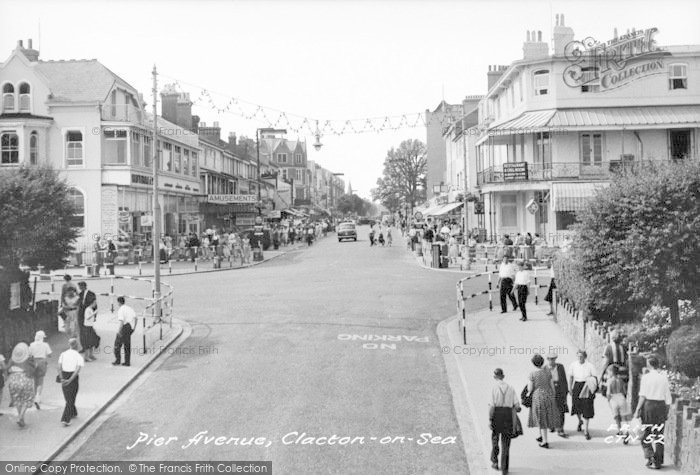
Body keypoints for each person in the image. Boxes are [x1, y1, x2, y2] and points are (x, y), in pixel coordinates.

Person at [633, 355, 671, 470]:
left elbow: (643, 395)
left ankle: (650, 457)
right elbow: (668, 398)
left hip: (648, 406)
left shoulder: (646, 377)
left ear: (649, 364)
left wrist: (637, 409)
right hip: (660, 406)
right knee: (659, 434)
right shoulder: (663, 378)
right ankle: (658, 461)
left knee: (645, 434)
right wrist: (666, 412)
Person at [489, 368, 520, 474]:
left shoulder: (494, 388)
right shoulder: (510, 388)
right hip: (508, 415)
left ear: (495, 377)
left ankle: (495, 461)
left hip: (497, 414)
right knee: (506, 443)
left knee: (495, 438)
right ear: (503, 376)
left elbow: (492, 406)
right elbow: (517, 405)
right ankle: (505, 469)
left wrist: (490, 419)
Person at [526, 354, 559, 449]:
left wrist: (528, 392)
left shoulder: (532, 374)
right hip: (548, 395)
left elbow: (530, 388)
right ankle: (541, 436)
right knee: (544, 416)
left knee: (541, 418)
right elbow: (552, 385)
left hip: (538, 397)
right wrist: (553, 395)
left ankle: (545, 441)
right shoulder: (548, 372)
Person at [569, 349, 597, 440]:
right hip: (577, 385)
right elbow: (571, 377)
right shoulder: (573, 365)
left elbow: (595, 377)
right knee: (577, 407)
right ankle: (580, 421)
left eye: (581, 356)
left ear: (585, 357)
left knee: (586, 408)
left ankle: (586, 430)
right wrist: (570, 388)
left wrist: (593, 388)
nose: (580, 358)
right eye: (578, 356)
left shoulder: (590, 366)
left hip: (586, 386)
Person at [7, 342, 36, 428]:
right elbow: (34, 367)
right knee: (27, 399)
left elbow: (7, 369)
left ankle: (21, 419)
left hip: (13, 380)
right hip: (24, 379)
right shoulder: (28, 359)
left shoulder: (12, 359)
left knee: (17, 400)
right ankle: (20, 417)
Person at [57, 338, 84, 426]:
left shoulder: (63, 354)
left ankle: (73, 412)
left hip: (64, 374)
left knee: (68, 396)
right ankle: (66, 419)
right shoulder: (78, 356)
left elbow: (59, 367)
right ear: (76, 345)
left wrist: (61, 378)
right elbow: (77, 370)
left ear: (69, 345)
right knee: (71, 397)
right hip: (73, 377)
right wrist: (70, 380)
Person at [545, 352, 569, 438]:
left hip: (559, 389)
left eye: (553, 359)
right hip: (549, 390)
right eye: (550, 359)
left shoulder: (560, 367)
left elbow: (564, 379)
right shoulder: (545, 369)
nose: (552, 361)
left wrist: (566, 391)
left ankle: (560, 428)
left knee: (561, 410)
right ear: (547, 359)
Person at [28, 331, 51, 410]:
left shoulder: (31, 344)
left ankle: (34, 397)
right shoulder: (45, 345)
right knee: (40, 381)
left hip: (34, 362)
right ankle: (38, 398)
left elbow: (29, 354)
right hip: (42, 362)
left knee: (35, 380)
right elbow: (50, 354)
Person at [606, 365, 631, 437]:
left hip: (614, 398)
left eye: (608, 372)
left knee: (617, 417)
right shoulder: (621, 380)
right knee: (624, 416)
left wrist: (609, 401)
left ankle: (620, 431)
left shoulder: (610, 381)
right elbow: (625, 391)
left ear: (611, 372)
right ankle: (626, 431)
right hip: (621, 397)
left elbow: (608, 393)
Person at [601, 330, 628, 395]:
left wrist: (601, 374)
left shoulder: (608, 347)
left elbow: (605, 362)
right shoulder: (624, 347)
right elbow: (627, 361)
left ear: (611, 338)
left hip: (611, 373)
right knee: (622, 393)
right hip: (623, 374)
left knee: (610, 394)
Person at [113, 296, 136, 367]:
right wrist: (133, 329)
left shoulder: (121, 310)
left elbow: (121, 321)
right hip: (129, 327)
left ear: (119, 302)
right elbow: (136, 318)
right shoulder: (129, 308)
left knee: (117, 345)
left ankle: (117, 360)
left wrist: (119, 331)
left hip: (124, 328)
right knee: (127, 346)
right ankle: (127, 362)